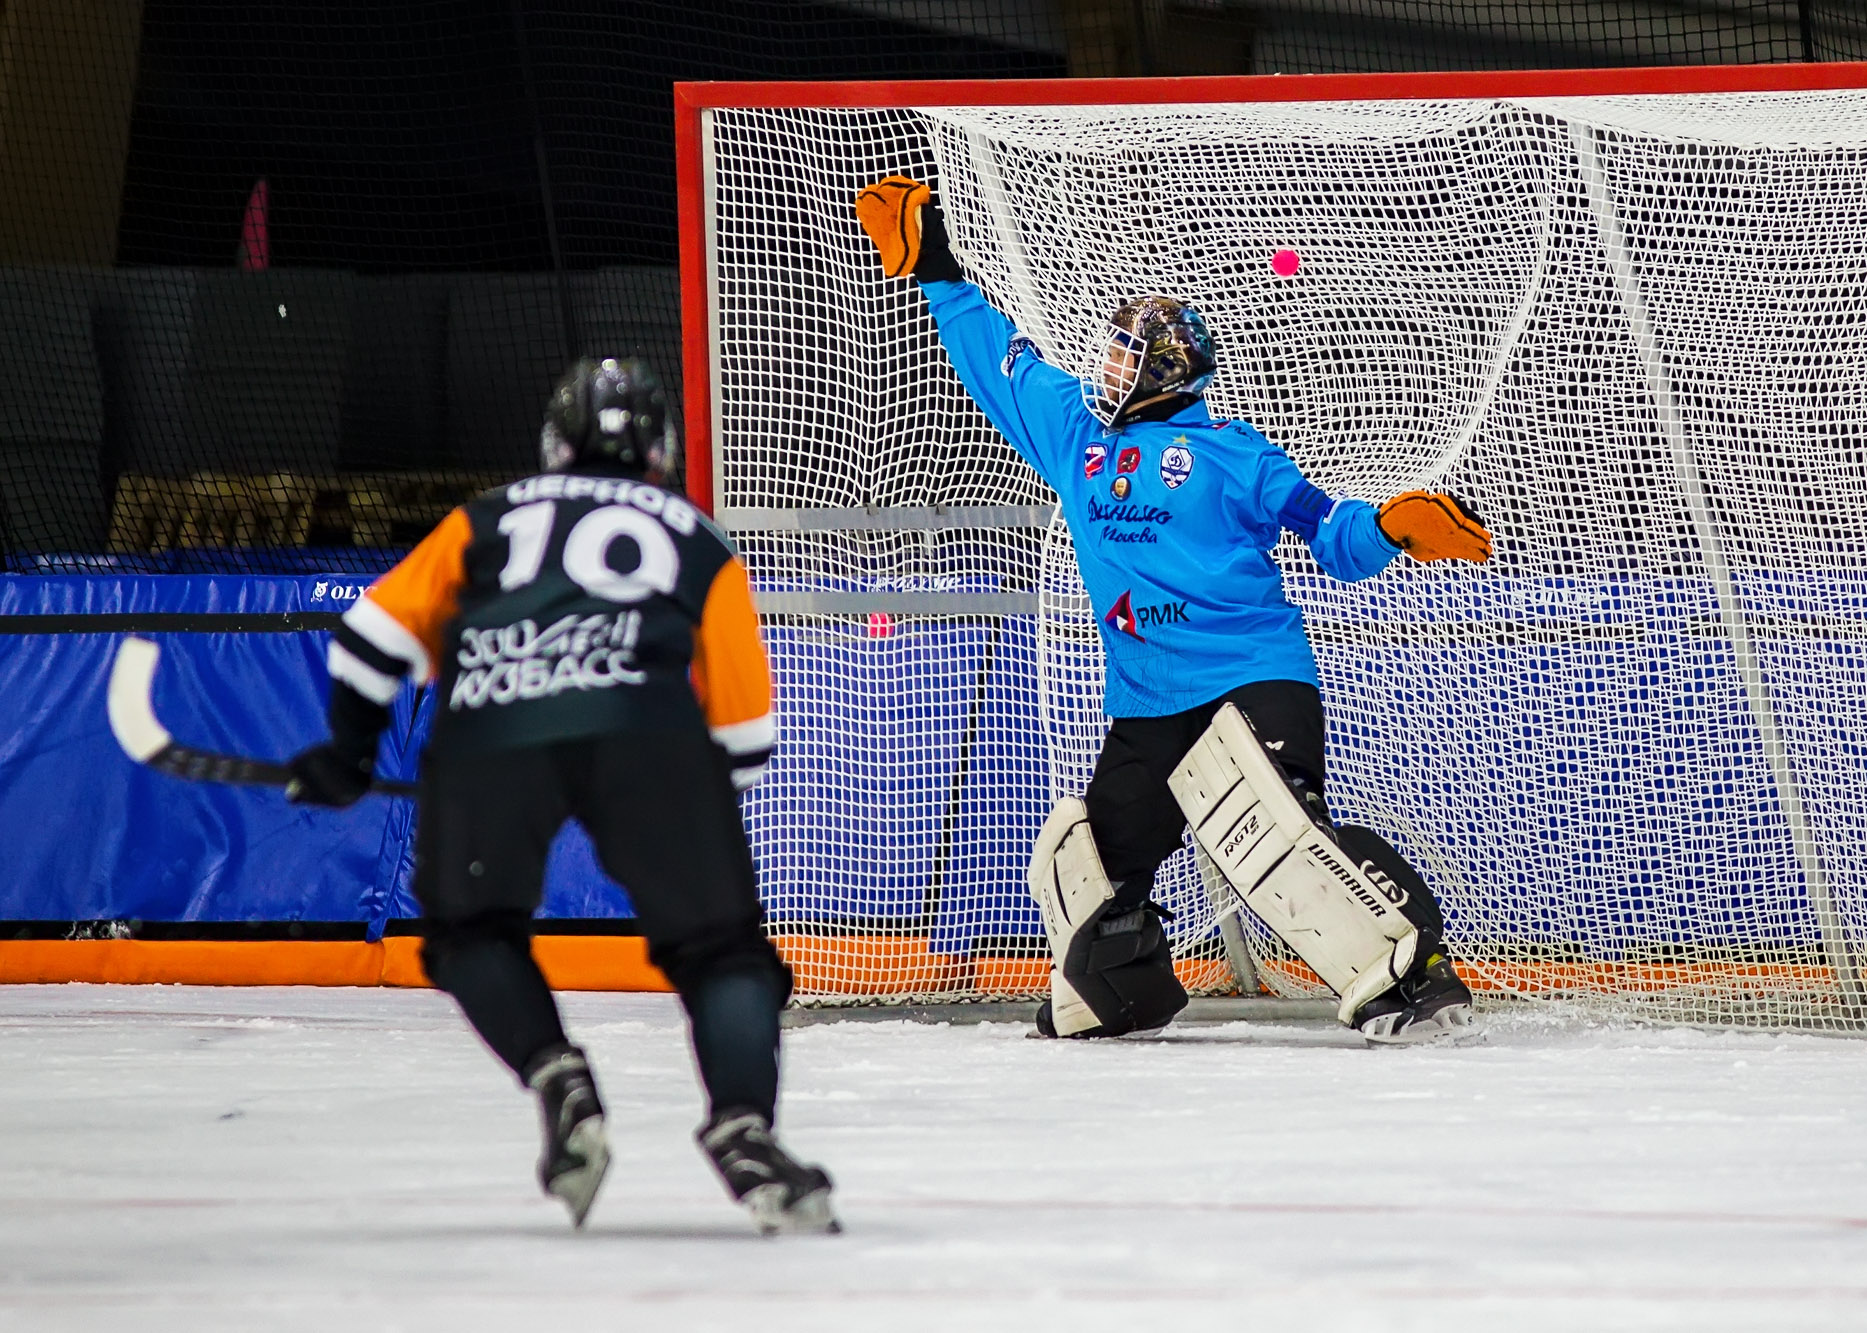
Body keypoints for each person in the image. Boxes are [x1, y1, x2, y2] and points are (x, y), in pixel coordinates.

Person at [855, 176, 1492, 1045]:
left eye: (1124, 356)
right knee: (1089, 873)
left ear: (1163, 374)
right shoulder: (1079, 440)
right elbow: (1001, 366)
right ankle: (1125, 991)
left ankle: (1416, 972)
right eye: (1109, 352)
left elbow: (1332, 537)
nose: (1106, 369)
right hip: (1148, 705)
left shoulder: (1232, 455)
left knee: (1282, 840)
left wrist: (1390, 527)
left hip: (1253, 680)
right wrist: (934, 267)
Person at [283, 357, 837, 1234]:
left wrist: (349, 750)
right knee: (723, 954)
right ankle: (745, 1128)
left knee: (469, 933)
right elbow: (745, 741)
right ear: (657, 451)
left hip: (493, 727)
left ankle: (557, 1075)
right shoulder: (697, 539)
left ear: (556, 441)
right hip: (648, 733)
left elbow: (367, 635)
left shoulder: (490, 516)